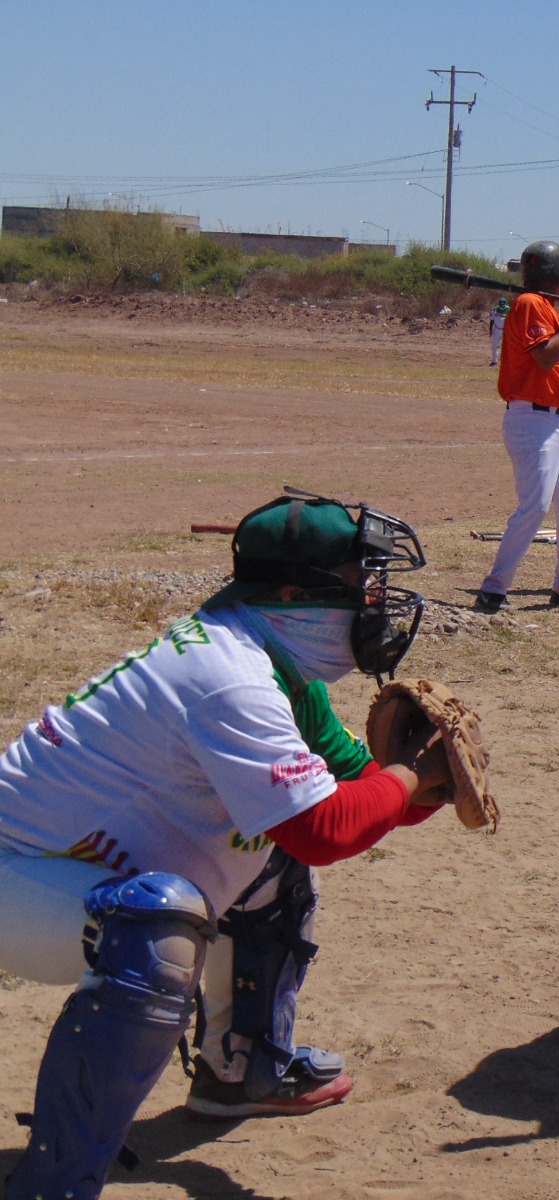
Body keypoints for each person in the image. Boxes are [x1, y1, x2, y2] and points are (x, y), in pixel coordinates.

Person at [0, 493, 450, 1197]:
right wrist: (408, 776)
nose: (378, 602)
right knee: (155, 925)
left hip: (63, 872)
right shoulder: (231, 678)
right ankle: (51, 1185)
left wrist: (424, 788)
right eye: (363, 585)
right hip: (17, 880)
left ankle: (240, 1073)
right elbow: (325, 828)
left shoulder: (269, 657)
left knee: (272, 863)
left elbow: (350, 795)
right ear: (297, 594)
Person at [474, 240, 559, 615]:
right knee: (534, 506)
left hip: (557, 422)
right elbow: (547, 359)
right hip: (532, 420)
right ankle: (494, 587)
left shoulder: (549, 308)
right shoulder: (532, 304)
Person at [489, 296, 509, 366]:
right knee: (494, 345)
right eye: (501, 305)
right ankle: (494, 361)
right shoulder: (495, 309)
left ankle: (505, 361)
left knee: (506, 346)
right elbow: (492, 320)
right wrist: (490, 330)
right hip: (497, 329)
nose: (502, 307)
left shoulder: (509, 309)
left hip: (506, 330)